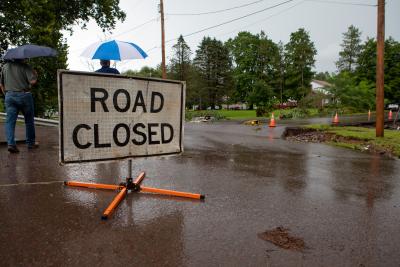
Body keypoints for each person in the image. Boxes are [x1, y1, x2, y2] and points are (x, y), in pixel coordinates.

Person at [0, 59, 38, 153]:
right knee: (29, 121)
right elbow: (33, 81)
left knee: (10, 122)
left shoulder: (5, 67)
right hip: (24, 95)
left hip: (9, 95)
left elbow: (1, 84)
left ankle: (11, 144)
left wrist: (7, 95)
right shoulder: (25, 66)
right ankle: (30, 143)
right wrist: (35, 74)